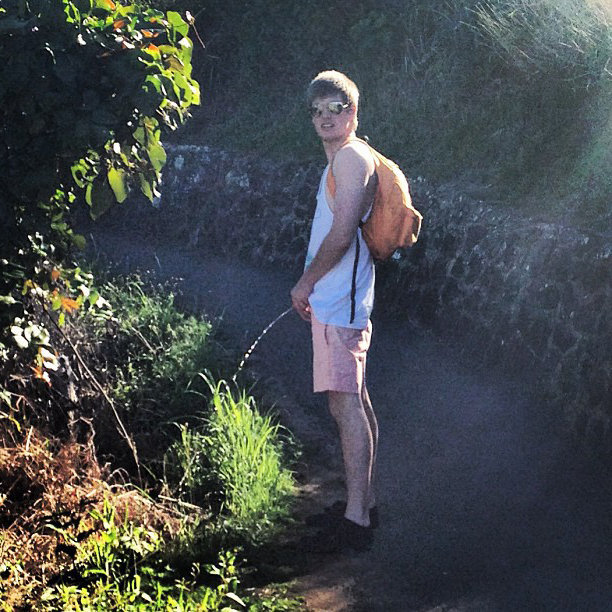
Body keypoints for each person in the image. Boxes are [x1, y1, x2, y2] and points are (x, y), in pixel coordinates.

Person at [291, 70, 378, 553]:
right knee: (355, 400)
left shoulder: (349, 159)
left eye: (336, 108)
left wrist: (306, 282)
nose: (325, 117)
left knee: (345, 405)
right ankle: (365, 503)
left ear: (353, 112)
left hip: (339, 302)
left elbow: (343, 233)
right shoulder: (348, 157)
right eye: (317, 110)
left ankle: (356, 519)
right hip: (341, 300)